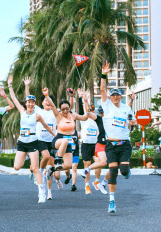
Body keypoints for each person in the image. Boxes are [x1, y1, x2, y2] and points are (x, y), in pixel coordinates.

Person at [8, 75, 55, 203]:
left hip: (33, 143)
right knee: (17, 166)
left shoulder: (37, 115)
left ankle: (41, 191)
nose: (30, 104)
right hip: (22, 144)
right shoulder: (22, 111)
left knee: (35, 169)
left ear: (34, 104)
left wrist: (56, 135)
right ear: (26, 103)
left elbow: (46, 126)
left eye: (32, 102)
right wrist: (10, 85)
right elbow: (13, 98)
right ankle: (26, 158)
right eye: (28, 102)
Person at [98, 61, 137, 213]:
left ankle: (127, 172)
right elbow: (102, 89)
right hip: (111, 145)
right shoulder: (106, 106)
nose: (114, 97)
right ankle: (112, 201)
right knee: (113, 172)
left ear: (120, 97)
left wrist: (133, 123)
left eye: (117, 95)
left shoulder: (127, 108)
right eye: (112, 95)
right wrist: (104, 74)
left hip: (125, 144)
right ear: (110, 97)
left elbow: (131, 123)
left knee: (124, 170)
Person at [24, 77, 60, 195]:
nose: (48, 103)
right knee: (45, 156)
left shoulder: (55, 112)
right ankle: (38, 172)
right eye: (45, 101)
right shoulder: (38, 110)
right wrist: (27, 86)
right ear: (42, 103)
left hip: (52, 141)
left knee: (50, 165)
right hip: (40, 140)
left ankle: (48, 190)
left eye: (49, 101)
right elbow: (29, 100)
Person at [43, 88, 89, 179]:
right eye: (62, 109)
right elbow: (52, 105)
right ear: (60, 109)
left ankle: (51, 169)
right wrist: (46, 95)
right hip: (58, 140)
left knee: (68, 166)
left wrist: (85, 101)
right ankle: (59, 160)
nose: (65, 111)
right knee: (64, 141)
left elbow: (85, 118)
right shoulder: (58, 115)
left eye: (67, 108)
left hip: (68, 142)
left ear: (69, 108)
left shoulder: (73, 115)